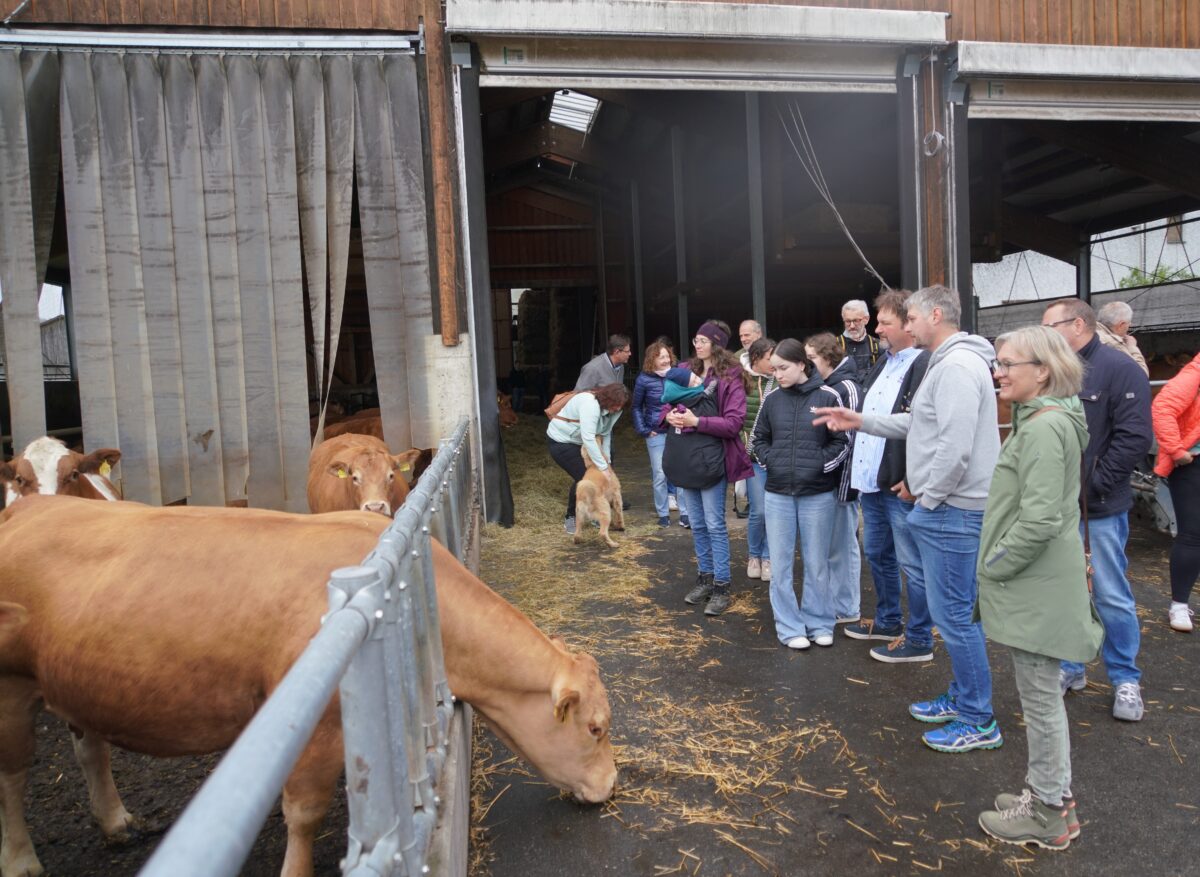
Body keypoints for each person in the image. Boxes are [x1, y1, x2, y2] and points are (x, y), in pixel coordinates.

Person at [815, 284, 1002, 753]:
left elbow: (955, 448)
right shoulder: (946, 363)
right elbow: (919, 424)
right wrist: (861, 422)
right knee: (953, 612)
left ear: (934, 315)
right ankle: (963, 699)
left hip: (954, 510)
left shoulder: (956, 366)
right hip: (949, 507)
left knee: (957, 617)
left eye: (912, 317)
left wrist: (929, 500)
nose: (905, 324)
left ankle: (978, 719)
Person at [974, 325, 1103, 850]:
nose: (998, 372)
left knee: (1042, 702)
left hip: (1034, 584)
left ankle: (1047, 811)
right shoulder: (1045, 419)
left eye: (1008, 363)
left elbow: (1042, 519)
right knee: (1043, 697)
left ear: (1042, 371)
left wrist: (995, 566)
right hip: (1040, 580)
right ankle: (1052, 799)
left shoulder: (1046, 428)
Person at [1043, 297, 1152, 722]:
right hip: (1057, 506)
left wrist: (1091, 487)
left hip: (1098, 508)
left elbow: (1133, 437)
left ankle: (1125, 677)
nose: (1045, 333)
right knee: (1066, 590)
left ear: (1078, 324)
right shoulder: (1053, 371)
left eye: (1051, 325)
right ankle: (1071, 666)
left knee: (1109, 592)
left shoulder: (1119, 368)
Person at [842, 289, 934, 664]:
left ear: (909, 326)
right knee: (878, 553)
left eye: (884, 322)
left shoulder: (924, 364)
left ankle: (919, 637)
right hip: (873, 480)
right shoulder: (886, 362)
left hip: (900, 484)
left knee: (912, 563)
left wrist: (914, 478)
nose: (876, 328)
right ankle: (888, 620)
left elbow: (924, 427)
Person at [752, 339, 848, 649]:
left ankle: (819, 622)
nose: (777, 374)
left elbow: (842, 441)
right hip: (778, 491)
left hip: (817, 493)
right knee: (780, 564)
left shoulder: (828, 396)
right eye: (774, 369)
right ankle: (789, 626)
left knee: (816, 561)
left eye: (783, 368)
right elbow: (758, 439)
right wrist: (772, 462)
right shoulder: (772, 399)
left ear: (802, 365)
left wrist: (820, 466)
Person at [662, 320, 752, 617]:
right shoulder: (687, 368)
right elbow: (664, 403)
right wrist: (671, 417)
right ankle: (705, 578)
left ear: (716, 343)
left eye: (702, 340)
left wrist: (697, 422)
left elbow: (735, 422)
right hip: (686, 455)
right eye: (696, 339)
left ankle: (722, 585)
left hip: (712, 457)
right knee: (697, 523)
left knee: (714, 523)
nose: (697, 344)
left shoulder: (731, 374)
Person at [804, 332, 863, 626]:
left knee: (843, 546)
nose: (808, 364)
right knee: (830, 547)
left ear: (827, 358)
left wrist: (834, 476)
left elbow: (849, 439)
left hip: (842, 481)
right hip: (829, 479)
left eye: (812, 358)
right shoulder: (828, 385)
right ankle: (834, 601)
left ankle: (848, 606)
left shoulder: (846, 387)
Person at [1152, 351, 1200, 632]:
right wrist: (1177, 450)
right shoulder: (1194, 374)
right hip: (1193, 463)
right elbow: (1163, 407)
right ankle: (1179, 605)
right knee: (1193, 534)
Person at [546, 382, 627, 535]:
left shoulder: (616, 410)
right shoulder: (590, 404)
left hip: (579, 441)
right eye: (616, 404)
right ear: (608, 399)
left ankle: (593, 512)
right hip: (561, 441)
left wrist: (607, 460)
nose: (618, 408)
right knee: (584, 476)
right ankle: (571, 517)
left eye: (621, 406)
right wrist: (602, 467)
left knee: (595, 477)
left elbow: (606, 433)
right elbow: (589, 437)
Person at [632, 341, 678, 528]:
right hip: (655, 431)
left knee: (680, 471)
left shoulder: (677, 375)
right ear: (653, 359)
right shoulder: (643, 379)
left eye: (667, 356)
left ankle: (685, 512)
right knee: (659, 473)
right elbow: (636, 406)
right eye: (661, 357)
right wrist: (643, 429)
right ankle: (663, 513)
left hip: (678, 429)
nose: (666, 360)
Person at [743, 337, 777, 582]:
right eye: (769, 359)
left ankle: (768, 556)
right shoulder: (741, 381)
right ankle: (754, 554)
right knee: (760, 510)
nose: (774, 362)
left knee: (774, 511)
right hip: (753, 456)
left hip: (777, 457)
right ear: (755, 359)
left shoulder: (780, 381)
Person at [732, 320, 764, 518]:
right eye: (741, 335)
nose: (743, 339)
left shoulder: (773, 355)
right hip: (746, 428)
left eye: (747, 335)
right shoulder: (736, 360)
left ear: (758, 334)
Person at [1096, 301, 1149, 376]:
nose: (1128, 329)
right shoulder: (1113, 343)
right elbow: (1141, 375)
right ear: (1121, 325)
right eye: (1128, 325)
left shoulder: (1088, 333)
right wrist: (1132, 347)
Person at [839, 299, 880, 380]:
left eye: (856, 320)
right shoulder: (834, 345)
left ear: (866, 319)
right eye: (848, 321)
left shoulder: (878, 345)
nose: (852, 326)